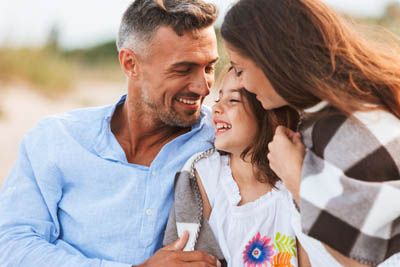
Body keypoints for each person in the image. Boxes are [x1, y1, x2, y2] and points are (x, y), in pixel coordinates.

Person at [0, 0, 222, 266]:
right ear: (130, 63)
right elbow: (12, 246)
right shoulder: (55, 138)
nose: (203, 87)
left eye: (209, 68)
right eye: (183, 70)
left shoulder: (223, 142)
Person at [220, 0, 400, 266]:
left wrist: (294, 176)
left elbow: (361, 260)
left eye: (240, 69)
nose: (243, 83)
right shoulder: (321, 119)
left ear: (271, 59)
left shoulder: (353, 128)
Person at [163, 68, 313, 267]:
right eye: (219, 98)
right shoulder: (205, 176)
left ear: (271, 114)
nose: (216, 108)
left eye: (233, 100)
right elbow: (185, 257)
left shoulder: (294, 184)